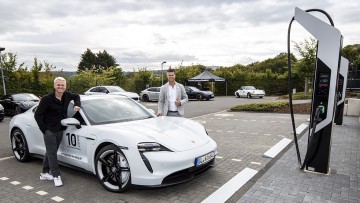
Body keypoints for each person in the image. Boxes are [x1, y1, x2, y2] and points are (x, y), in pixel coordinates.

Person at [34, 77, 81, 187]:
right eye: (58, 85)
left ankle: (44, 173)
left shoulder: (67, 96)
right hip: (49, 130)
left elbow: (76, 96)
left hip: (60, 128)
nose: (61, 87)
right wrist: (44, 129)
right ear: (54, 86)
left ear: (66, 86)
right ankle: (56, 176)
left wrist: (77, 104)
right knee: (52, 153)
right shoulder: (47, 99)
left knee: (51, 151)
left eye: (63, 85)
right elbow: (38, 115)